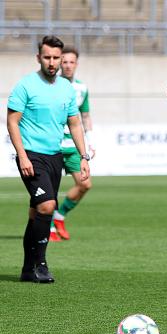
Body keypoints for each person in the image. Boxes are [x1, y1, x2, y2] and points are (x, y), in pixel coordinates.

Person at [6, 35, 90, 283]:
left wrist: (84, 156)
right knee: (47, 206)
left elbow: (75, 123)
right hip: (32, 156)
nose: (52, 62)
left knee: (36, 213)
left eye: (56, 58)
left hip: (55, 158)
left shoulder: (66, 88)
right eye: (47, 57)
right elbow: (12, 121)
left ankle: (26, 269)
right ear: (38, 58)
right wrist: (22, 156)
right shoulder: (25, 85)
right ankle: (41, 265)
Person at [49, 46, 95, 242]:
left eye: (71, 62)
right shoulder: (51, 85)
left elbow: (85, 115)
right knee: (49, 190)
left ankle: (59, 217)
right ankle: (49, 228)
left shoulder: (82, 88)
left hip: (74, 146)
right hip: (53, 145)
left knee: (85, 184)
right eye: (64, 62)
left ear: (76, 64)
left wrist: (90, 142)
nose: (67, 65)